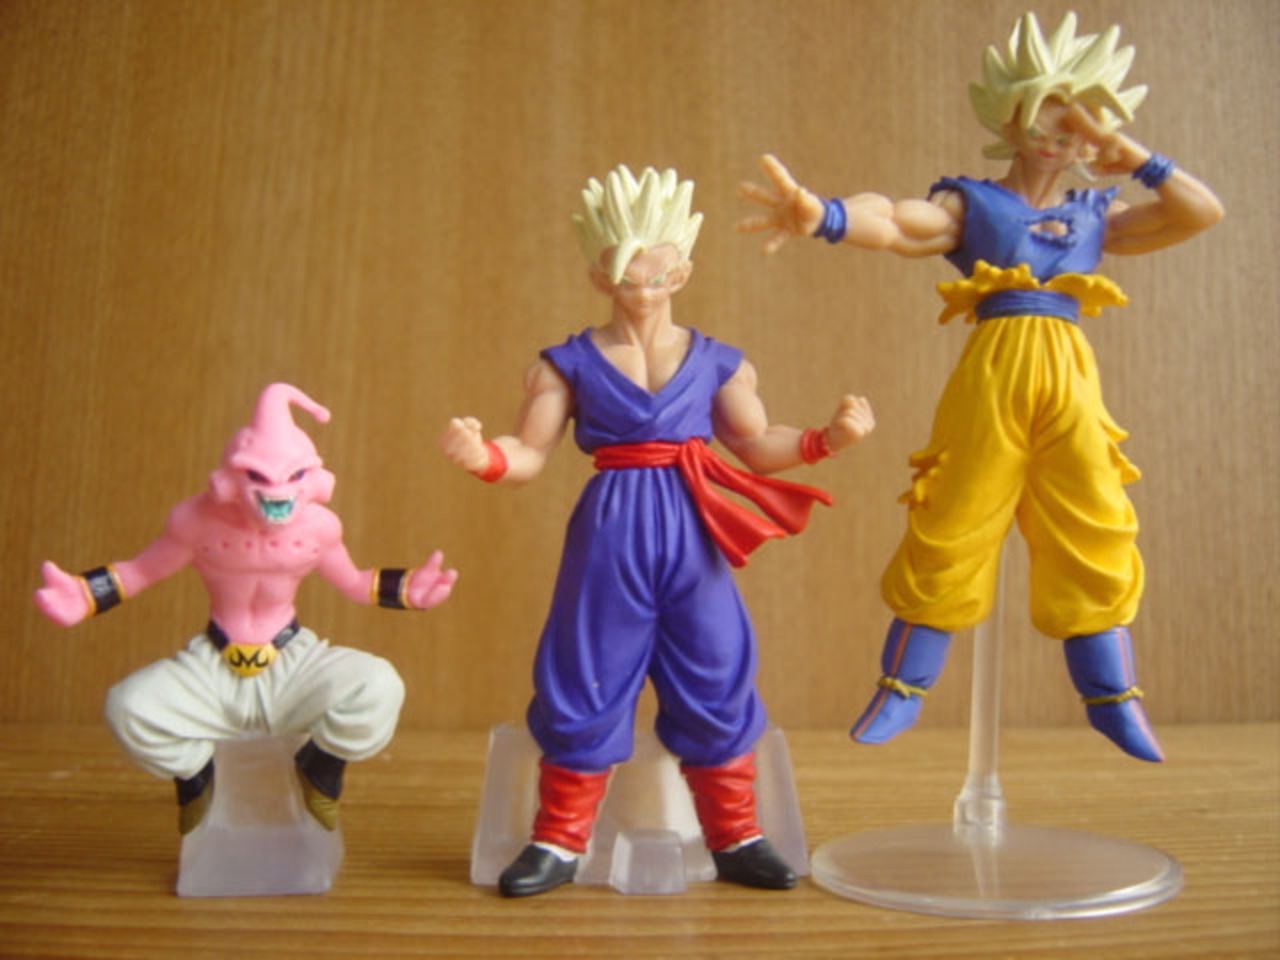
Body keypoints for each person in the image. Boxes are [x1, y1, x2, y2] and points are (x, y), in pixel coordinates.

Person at [738, 12, 1222, 763]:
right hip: (993, 373)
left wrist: (1140, 161)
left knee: (1094, 518)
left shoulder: (1096, 213)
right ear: (1011, 114)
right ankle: (902, 688)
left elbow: (1201, 213)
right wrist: (826, 215)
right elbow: (898, 222)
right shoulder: (974, 205)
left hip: (1070, 375)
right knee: (955, 516)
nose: (1058, 138)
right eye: (1046, 116)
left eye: (1077, 124)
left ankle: (1113, 698)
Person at [443, 165, 875, 897]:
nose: (643, 291)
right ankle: (558, 839)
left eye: (658, 276)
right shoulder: (565, 365)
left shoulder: (719, 363)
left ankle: (736, 833)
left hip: (692, 526)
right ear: (599, 276)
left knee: (716, 663)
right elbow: (530, 453)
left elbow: (755, 441)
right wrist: (483, 456)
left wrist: (824, 440)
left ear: (682, 272)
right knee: (584, 671)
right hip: (611, 529)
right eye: (626, 277)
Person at [35, 383, 457, 834]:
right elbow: (140, 571)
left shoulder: (320, 528)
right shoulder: (195, 521)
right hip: (212, 664)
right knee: (129, 706)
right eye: (259, 476)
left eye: (293, 476)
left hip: (294, 661)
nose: (277, 491)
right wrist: (84, 593)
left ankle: (320, 768)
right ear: (229, 480)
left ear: (315, 480)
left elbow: (355, 582)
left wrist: (408, 589)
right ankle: (196, 776)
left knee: (378, 684)